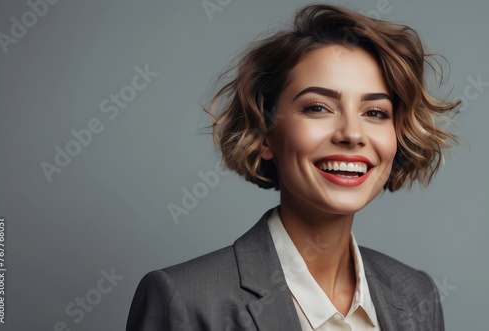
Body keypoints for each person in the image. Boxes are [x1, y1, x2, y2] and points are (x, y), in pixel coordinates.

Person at [126, 3, 459, 330]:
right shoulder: (185, 300)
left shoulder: (417, 296)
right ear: (263, 133)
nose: (353, 134)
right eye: (317, 107)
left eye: (375, 113)